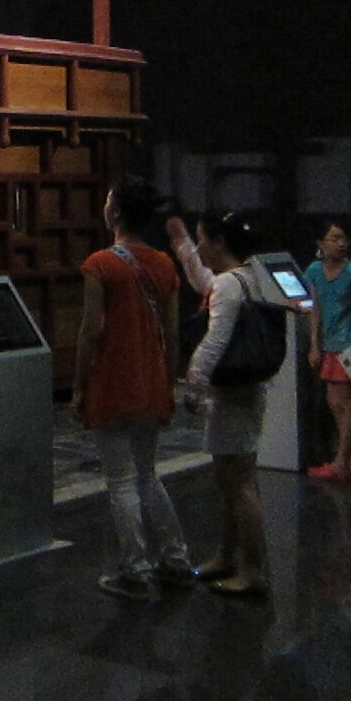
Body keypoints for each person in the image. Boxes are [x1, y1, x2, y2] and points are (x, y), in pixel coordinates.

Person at [73, 178, 194, 601]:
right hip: (151, 381)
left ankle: (136, 569)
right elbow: (173, 335)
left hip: (113, 379)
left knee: (121, 481)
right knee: (147, 475)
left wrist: (79, 386)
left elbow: (91, 332)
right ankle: (177, 559)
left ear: (117, 213)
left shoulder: (100, 264)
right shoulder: (164, 264)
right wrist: (169, 380)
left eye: (108, 200)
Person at [184, 211, 271, 598]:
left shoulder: (228, 284)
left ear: (219, 241)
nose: (200, 247)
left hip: (232, 393)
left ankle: (251, 570)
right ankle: (226, 556)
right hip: (248, 388)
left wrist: (193, 384)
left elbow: (215, 340)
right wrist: (182, 246)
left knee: (240, 484)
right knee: (232, 481)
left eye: (202, 239)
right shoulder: (251, 276)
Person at [303, 221, 351, 482]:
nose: (340, 243)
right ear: (320, 243)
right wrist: (315, 344)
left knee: (344, 403)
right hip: (331, 345)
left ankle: (340, 463)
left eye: (343, 238)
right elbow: (316, 309)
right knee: (335, 402)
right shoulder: (315, 271)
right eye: (334, 238)